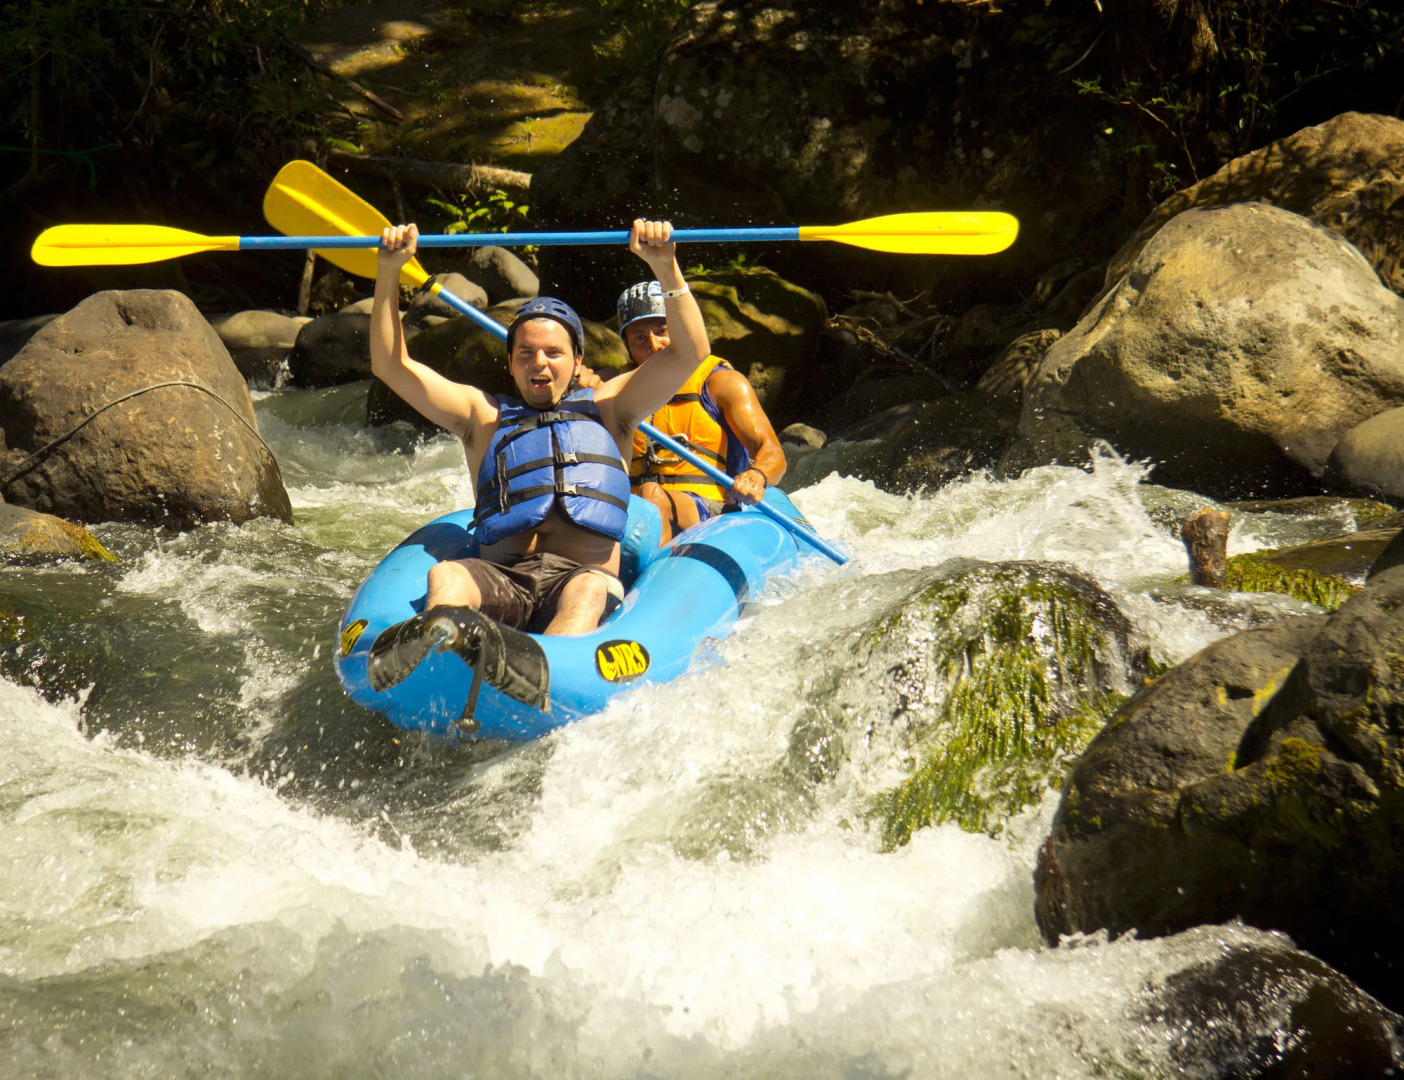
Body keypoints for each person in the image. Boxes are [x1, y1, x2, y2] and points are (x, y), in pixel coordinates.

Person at [368, 218, 709, 644]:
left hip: (580, 580)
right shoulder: (482, 416)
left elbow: (690, 352)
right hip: (502, 578)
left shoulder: (612, 407)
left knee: (588, 589)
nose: (540, 363)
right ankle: (441, 647)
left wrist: (665, 266)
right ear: (510, 363)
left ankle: (550, 666)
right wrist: (389, 271)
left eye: (553, 352)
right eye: (526, 353)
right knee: (447, 574)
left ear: (577, 360)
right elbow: (391, 366)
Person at [615, 280, 787, 542]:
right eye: (640, 338)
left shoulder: (721, 383)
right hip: (635, 513)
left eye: (663, 330)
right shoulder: (614, 390)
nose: (655, 344)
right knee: (644, 498)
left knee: (651, 494)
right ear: (628, 346)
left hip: (710, 510)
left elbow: (772, 451)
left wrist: (756, 475)